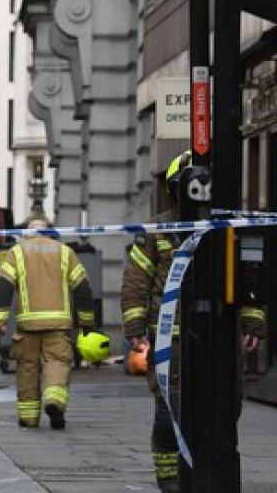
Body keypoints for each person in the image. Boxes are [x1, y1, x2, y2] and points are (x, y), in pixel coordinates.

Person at [120, 150, 266, 493]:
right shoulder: (157, 231)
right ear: (176, 189)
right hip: (170, 338)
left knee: (227, 403)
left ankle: (209, 467)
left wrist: (252, 324)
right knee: (169, 408)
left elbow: (249, 281)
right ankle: (170, 477)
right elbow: (135, 284)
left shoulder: (228, 226)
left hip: (221, 336)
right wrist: (136, 332)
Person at [0, 218, 96, 431]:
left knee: (27, 369)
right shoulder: (65, 252)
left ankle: (28, 418)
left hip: (27, 326)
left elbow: (3, 287)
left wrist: (0, 320)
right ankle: (54, 401)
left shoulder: (17, 252)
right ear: (50, 232)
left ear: (27, 234)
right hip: (58, 325)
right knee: (57, 363)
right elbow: (83, 288)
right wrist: (86, 322)